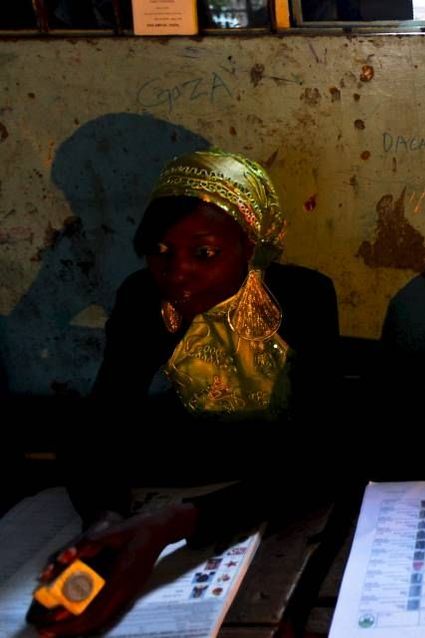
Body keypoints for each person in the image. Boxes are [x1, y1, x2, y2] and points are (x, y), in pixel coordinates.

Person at [30, 149, 342, 636]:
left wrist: (170, 527)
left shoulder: (303, 299)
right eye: (160, 251)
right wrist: (104, 522)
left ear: (251, 244)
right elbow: (103, 422)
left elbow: (317, 452)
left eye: (205, 254)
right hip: (183, 462)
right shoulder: (142, 298)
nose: (177, 273)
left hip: (269, 483)